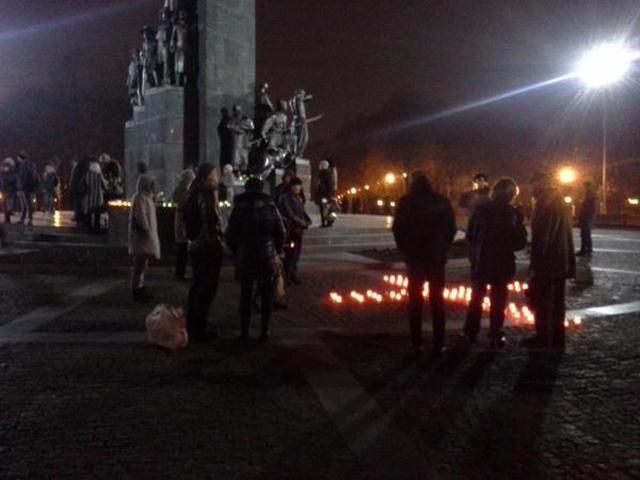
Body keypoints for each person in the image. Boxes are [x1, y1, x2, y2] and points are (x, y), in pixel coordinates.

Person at [392, 171, 456, 357]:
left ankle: (417, 343)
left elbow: (398, 229)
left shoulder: (406, 202)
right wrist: (443, 247)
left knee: (415, 302)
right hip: (436, 257)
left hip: (415, 258)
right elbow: (451, 229)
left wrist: (405, 249)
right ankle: (438, 343)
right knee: (437, 301)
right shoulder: (442, 202)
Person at [462, 178, 528, 348]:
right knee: (498, 299)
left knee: (476, 297)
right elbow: (519, 242)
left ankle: (470, 331)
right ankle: (495, 333)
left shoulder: (480, 210)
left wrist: (477, 250)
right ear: (512, 194)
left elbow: (470, 235)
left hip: (481, 260)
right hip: (502, 262)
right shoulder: (513, 213)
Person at [226, 177, 286, 341]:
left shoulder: (239, 207)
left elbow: (230, 233)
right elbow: (281, 231)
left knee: (245, 294)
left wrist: (236, 251)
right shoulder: (270, 206)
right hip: (266, 254)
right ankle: (264, 331)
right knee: (266, 295)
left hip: (245, 254)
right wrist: (276, 250)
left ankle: (244, 332)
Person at [523, 172, 576, 350]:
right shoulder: (559, 200)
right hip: (561, 260)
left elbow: (543, 236)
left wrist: (536, 262)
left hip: (548, 261)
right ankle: (557, 337)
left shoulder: (545, 203)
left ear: (538, 185)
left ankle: (544, 337)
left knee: (544, 300)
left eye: (531, 186)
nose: (530, 191)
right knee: (557, 301)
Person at [184, 164, 224, 342]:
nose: (217, 176)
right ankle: (200, 328)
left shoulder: (193, 192)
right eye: (215, 173)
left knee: (197, 285)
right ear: (208, 175)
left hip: (195, 244)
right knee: (207, 287)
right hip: (207, 246)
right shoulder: (206, 193)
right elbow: (209, 221)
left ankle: (193, 323)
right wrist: (217, 243)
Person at [129, 174, 160, 302]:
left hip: (145, 235)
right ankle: (137, 288)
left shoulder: (145, 197)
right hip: (142, 236)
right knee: (139, 263)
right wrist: (146, 229)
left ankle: (139, 286)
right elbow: (141, 215)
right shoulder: (140, 197)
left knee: (142, 263)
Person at [278, 177, 311, 285]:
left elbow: (302, 212)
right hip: (290, 231)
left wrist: (307, 220)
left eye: (299, 185)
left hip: (298, 231)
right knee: (290, 255)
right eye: (295, 185)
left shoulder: (299, 198)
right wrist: (302, 223)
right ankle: (287, 276)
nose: (297, 187)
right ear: (290, 187)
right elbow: (290, 214)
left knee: (296, 254)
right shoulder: (285, 198)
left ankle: (293, 275)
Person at [172, 168, 195, 280]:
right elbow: (182, 203)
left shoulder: (182, 189)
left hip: (183, 218)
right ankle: (179, 272)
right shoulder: (183, 191)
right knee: (182, 249)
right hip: (182, 218)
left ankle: (180, 271)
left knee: (183, 248)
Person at [82, 158, 107, 234]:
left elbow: (82, 184)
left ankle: (88, 229)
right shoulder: (99, 175)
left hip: (88, 197)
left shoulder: (86, 174)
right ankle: (96, 229)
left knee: (88, 214)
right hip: (97, 197)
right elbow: (105, 185)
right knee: (97, 215)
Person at [15, 151, 40, 226]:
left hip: (25, 187)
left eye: (18, 157)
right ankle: (23, 219)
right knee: (24, 204)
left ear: (20, 158)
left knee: (27, 203)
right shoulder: (26, 165)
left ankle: (29, 219)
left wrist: (21, 186)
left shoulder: (25, 166)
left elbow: (24, 177)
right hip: (25, 187)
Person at [576, 181, 597, 257]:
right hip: (586, 217)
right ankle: (586, 249)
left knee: (585, 234)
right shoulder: (589, 195)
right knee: (584, 234)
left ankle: (585, 250)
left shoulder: (590, 195)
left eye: (584, 187)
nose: (583, 188)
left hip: (587, 217)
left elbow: (590, 208)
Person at [315, 159, 337, 227]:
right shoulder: (321, 174)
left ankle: (329, 222)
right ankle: (324, 222)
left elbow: (330, 186)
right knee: (323, 209)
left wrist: (329, 196)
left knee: (327, 209)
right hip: (322, 195)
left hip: (326, 195)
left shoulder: (327, 174)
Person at [1, 158, 17, 224]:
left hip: (9, 191)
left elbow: (13, 181)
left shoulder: (12, 174)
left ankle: (8, 217)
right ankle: (7, 219)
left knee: (8, 204)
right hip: (4, 190)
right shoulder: (3, 173)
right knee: (5, 204)